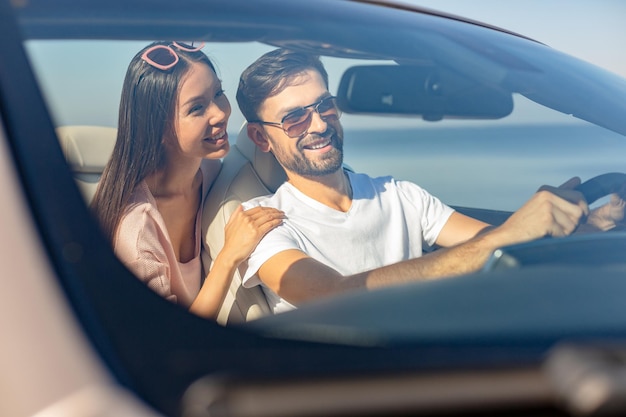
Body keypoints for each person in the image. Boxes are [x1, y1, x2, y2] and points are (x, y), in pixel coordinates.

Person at [235, 48, 625, 314]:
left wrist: (592, 226)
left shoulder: (401, 194)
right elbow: (333, 296)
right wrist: (507, 234)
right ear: (261, 138)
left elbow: (504, 255)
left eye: (325, 105)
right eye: (294, 118)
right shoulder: (263, 222)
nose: (319, 124)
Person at [91, 42, 284, 320]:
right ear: (157, 127)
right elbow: (165, 337)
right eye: (197, 108)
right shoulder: (135, 230)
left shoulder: (211, 172)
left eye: (218, 93)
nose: (220, 113)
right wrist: (228, 256)